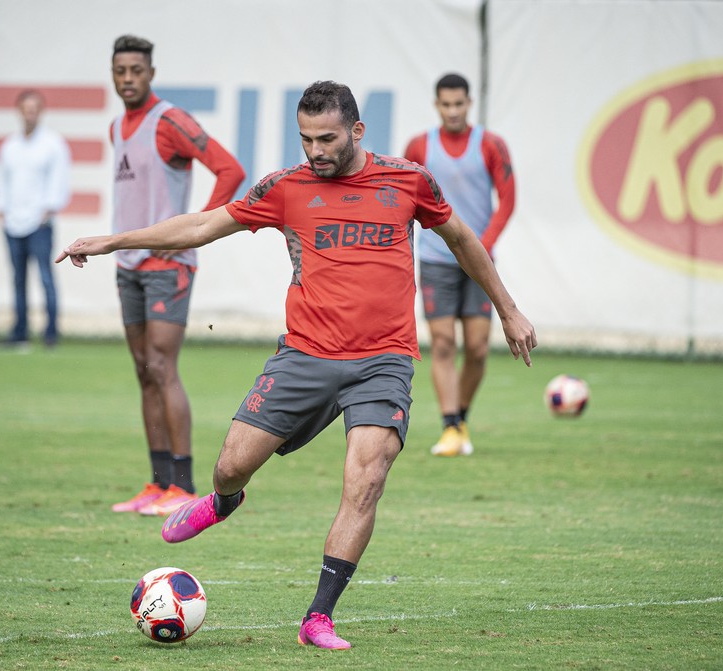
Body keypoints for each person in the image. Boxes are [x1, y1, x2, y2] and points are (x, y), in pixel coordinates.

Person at [56, 81, 535, 650]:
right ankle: (222, 501)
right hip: (305, 355)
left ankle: (318, 617)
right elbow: (204, 226)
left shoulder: (408, 180)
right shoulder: (286, 186)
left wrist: (508, 309)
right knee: (231, 466)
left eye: (327, 138)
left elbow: (461, 239)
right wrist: (114, 241)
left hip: (383, 361)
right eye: (306, 139)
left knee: (366, 479)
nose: (315, 151)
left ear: (357, 131)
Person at [105, 35, 245, 517]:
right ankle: (158, 481)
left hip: (168, 264)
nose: (128, 79)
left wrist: (194, 231)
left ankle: (183, 486)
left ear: (151, 73)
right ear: (113, 73)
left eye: (136, 71)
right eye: (120, 70)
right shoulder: (117, 128)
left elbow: (230, 169)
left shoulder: (170, 121)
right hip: (128, 263)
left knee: (163, 367)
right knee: (144, 370)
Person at [403, 73, 516, 457]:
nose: (453, 111)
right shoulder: (419, 146)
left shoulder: (491, 145)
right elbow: (404, 199)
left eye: (459, 104)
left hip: (478, 260)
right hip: (435, 259)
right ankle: (450, 425)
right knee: (445, 344)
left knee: (479, 348)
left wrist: (480, 247)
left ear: (469, 104)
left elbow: (508, 199)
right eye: (446, 105)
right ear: (437, 105)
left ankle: (461, 417)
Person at [0, 89, 71, 349]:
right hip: (13, 222)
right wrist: (2, 210)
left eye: (34, 109)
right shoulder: (9, 146)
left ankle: (50, 334)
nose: (30, 114)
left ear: (41, 113)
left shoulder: (52, 144)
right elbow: (3, 181)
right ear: (19, 112)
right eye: (26, 109)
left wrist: (48, 211)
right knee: (18, 278)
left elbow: (59, 181)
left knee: (45, 276)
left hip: (40, 223)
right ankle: (20, 332)